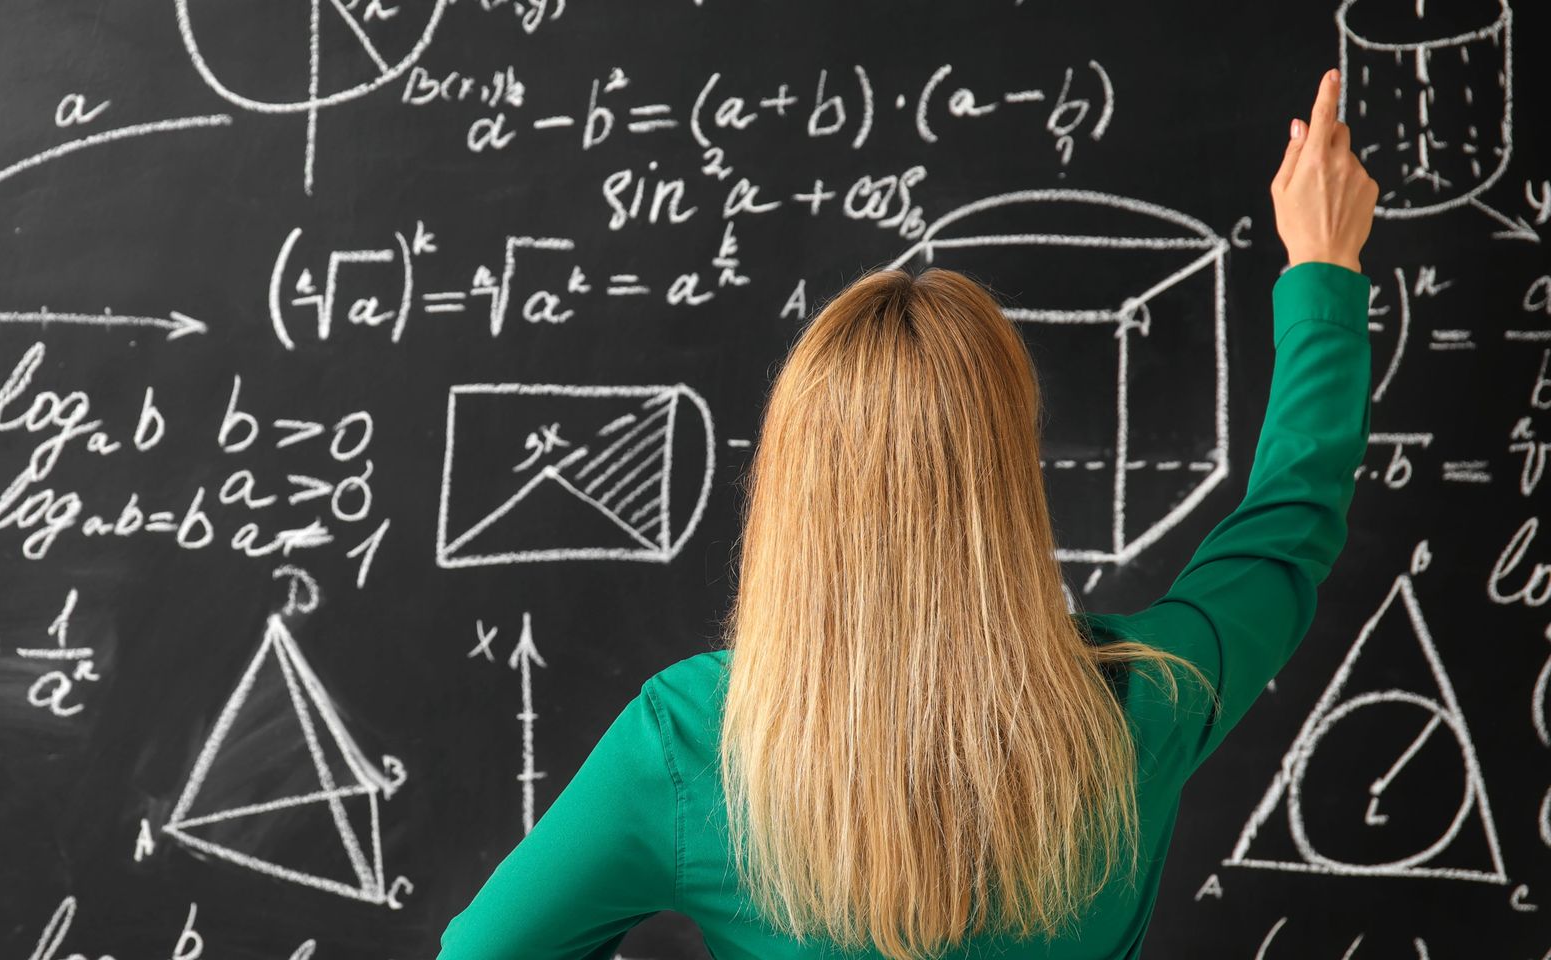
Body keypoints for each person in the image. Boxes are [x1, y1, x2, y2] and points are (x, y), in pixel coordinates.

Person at [437, 68, 1377, 960]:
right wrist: (1323, 269)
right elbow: (1286, 528)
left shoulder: (690, 741)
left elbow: (481, 951)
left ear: (789, 486)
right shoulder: (1141, 704)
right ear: (1009, 484)